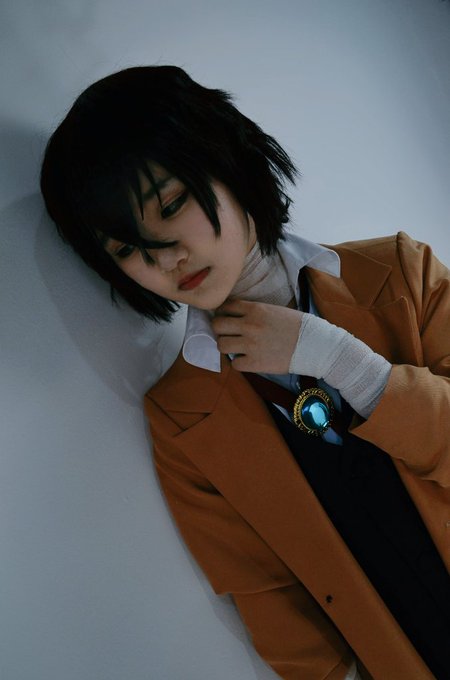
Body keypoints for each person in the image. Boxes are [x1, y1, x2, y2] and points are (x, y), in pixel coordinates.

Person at [40, 65, 450, 680]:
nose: (165, 257)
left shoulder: (399, 272)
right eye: (126, 248)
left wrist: (338, 359)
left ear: (230, 162)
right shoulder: (182, 417)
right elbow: (269, 598)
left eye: (171, 205)